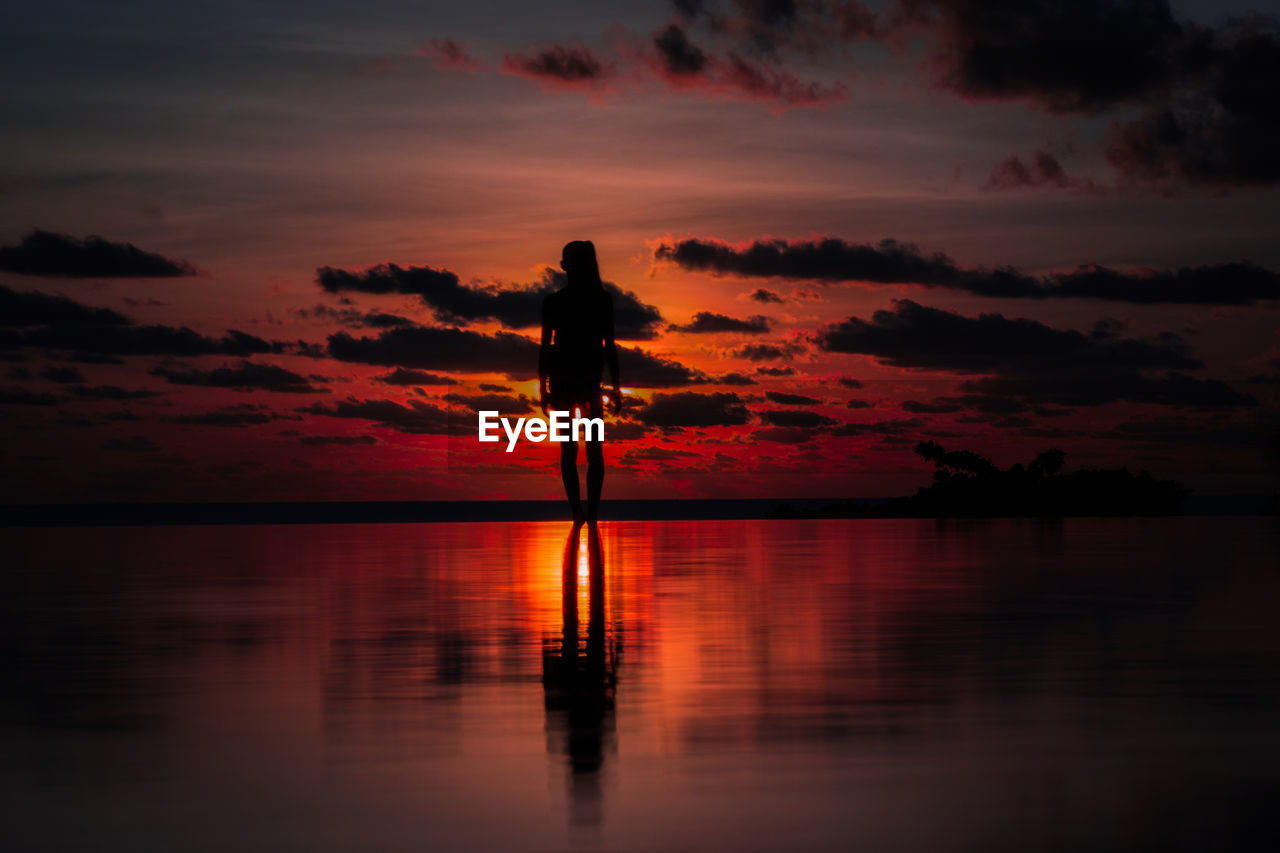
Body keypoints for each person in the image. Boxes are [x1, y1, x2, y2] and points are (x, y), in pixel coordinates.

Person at [539, 240, 620, 524]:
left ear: (566, 265)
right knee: (579, 448)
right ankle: (582, 510)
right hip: (576, 383)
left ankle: (585, 511)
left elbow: (608, 345)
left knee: (580, 448)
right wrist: (543, 388)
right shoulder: (595, 300)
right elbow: (547, 347)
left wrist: (543, 388)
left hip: (581, 383)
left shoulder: (590, 300)